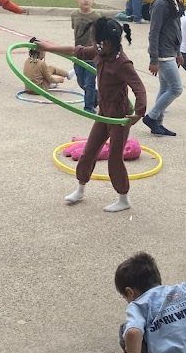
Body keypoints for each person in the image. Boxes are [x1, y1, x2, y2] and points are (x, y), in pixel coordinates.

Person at [35, 18, 146, 213]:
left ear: (110, 43)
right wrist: (48, 47)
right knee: (89, 150)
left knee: (114, 158)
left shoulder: (123, 63)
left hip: (119, 116)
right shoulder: (99, 51)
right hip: (103, 111)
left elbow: (139, 89)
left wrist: (138, 112)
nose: (95, 46)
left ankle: (123, 198)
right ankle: (80, 189)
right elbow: (75, 50)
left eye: (98, 42)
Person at [142, 0, 186, 137]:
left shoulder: (174, 0)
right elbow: (154, 33)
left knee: (165, 87)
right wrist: (153, 59)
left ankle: (157, 124)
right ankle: (152, 117)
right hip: (162, 55)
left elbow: (174, 29)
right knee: (176, 88)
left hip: (171, 52)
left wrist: (179, 52)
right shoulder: (161, 4)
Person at [71, 0, 102, 112]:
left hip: (92, 55)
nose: (86, 0)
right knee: (81, 82)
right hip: (78, 54)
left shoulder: (97, 16)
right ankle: (97, 96)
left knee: (89, 83)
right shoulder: (74, 15)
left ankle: (88, 106)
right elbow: (75, 30)